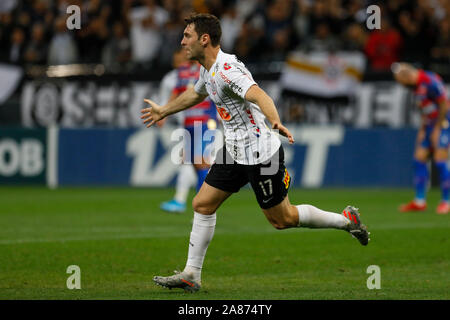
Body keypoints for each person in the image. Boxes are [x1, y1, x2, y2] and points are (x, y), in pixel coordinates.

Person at [141, 13, 370, 292]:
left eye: (187, 36)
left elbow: (260, 95)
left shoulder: (227, 70)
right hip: (234, 151)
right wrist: (164, 109)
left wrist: (275, 120)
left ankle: (347, 221)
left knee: (282, 220)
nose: (182, 41)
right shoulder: (207, 69)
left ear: (204, 39)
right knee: (202, 204)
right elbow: (196, 94)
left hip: (262, 154)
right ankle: (192, 274)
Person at [159, 48, 218, 213]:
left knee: (201, 162)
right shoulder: (183, 71)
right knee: (192, 162)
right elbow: (177, 92)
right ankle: (201, 202)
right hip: (188, 123)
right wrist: (164, 112)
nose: (187, 52)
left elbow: (217, 92)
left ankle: (204, 206)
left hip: (205, 122)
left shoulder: (207, 68)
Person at [393, 63, 450, 215]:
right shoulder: (416, 86)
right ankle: (419, 201)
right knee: (418, 159)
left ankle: (446, 201)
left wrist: (438, 128)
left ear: (407, 77)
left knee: (440, 160)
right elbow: (425, 108)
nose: (402, 85)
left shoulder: (430, 81)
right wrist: (423, 129)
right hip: (429, 125)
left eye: (401, 82)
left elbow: (444, 104)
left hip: (443, 124)